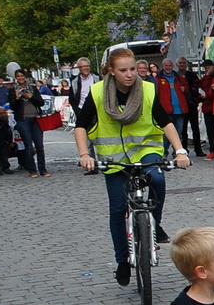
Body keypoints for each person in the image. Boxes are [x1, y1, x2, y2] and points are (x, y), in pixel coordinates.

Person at [75, 48, 191, 286]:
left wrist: (180, 151)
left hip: (146, 149)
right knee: (118, 208)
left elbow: (165, 122)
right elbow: (81, 125)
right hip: (114, 157)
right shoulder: (97, 92)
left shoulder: (147, 89)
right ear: (111, 71)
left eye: (132, 69)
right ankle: (121, 260)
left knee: (157, 179)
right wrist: (85, 155)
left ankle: (154, 224)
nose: (129, 75)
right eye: (123, 70)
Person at [9, 70, 46, 177]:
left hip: (36, 118)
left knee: (39, 145)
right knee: (28, 145)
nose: (20, 78)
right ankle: (32, 170)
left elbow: (41, 102)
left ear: (25, 77)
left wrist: (31, 97)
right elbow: (12, 106)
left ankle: (43, 169)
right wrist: (17, 98)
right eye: (18, 76)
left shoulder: (32, 88)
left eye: (22, 76)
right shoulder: (13, 89)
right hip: (23, 119)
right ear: (15, 78)